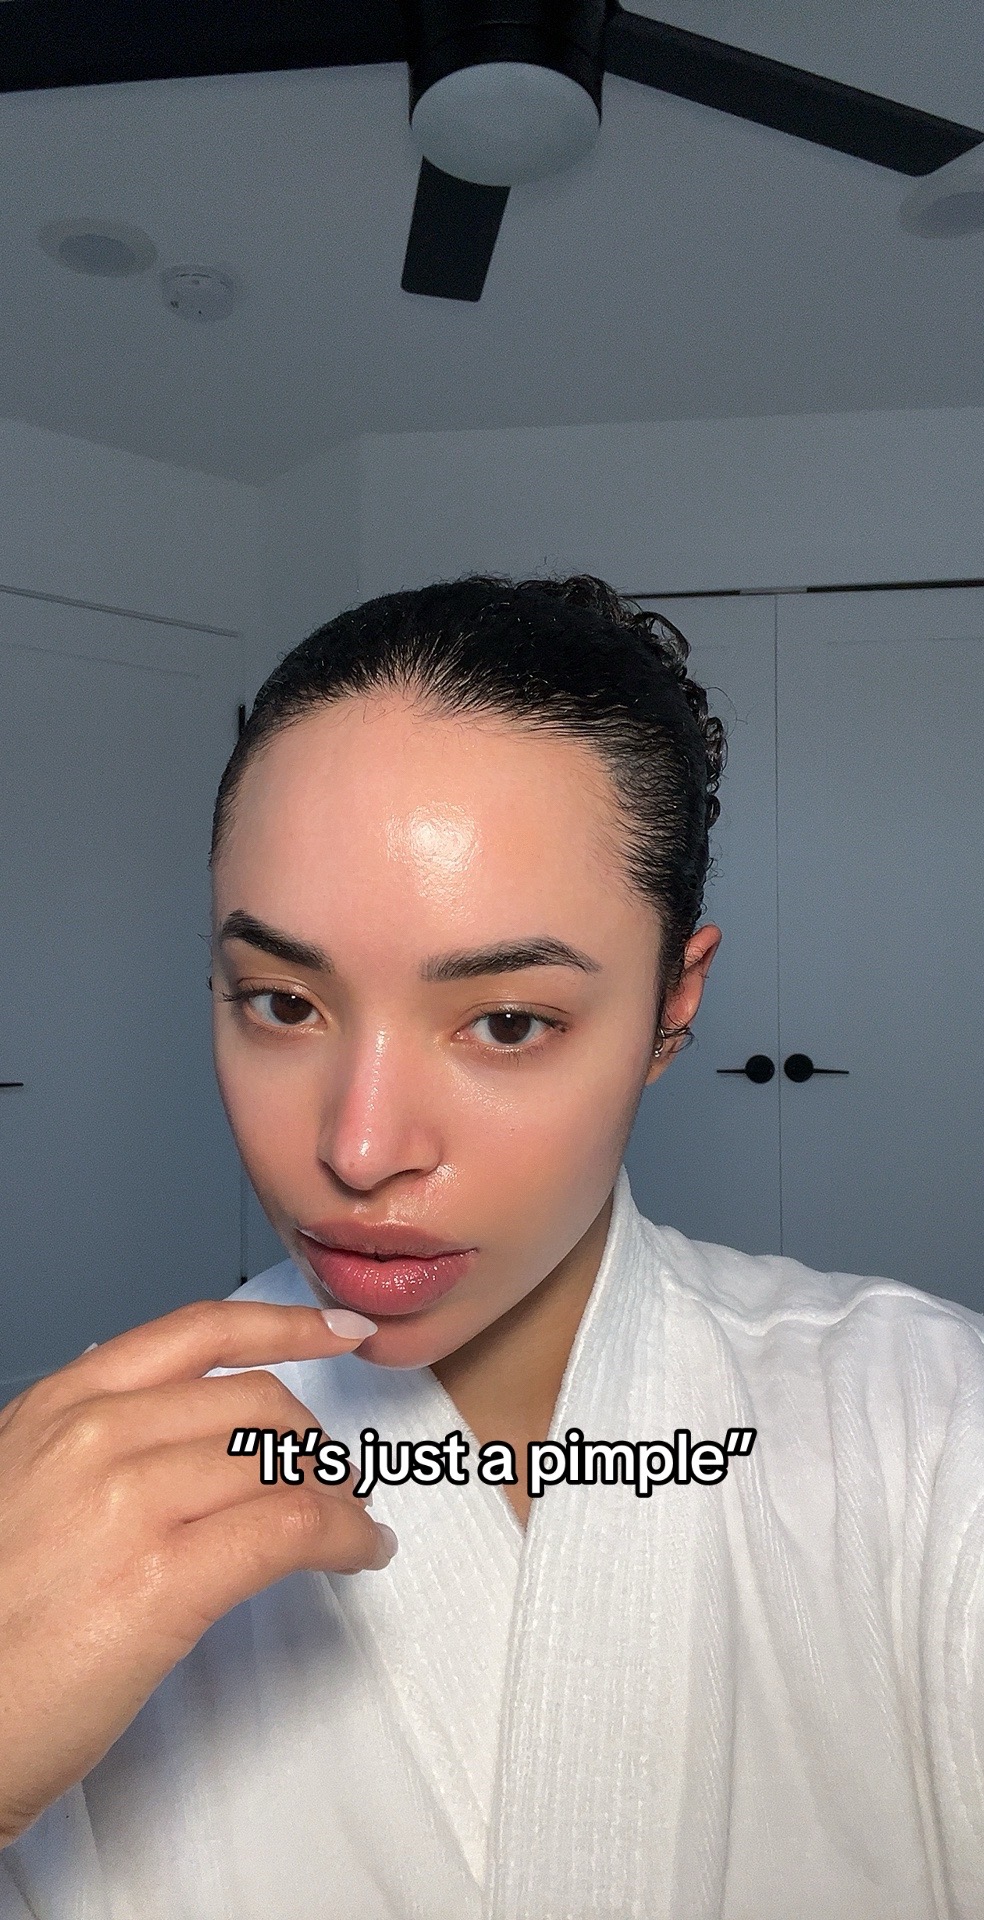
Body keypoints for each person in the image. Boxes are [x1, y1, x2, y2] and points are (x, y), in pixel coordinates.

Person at [1, 572, 982, 1919]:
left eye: (508, 1023)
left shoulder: (932, 1438)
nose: (360, 1147)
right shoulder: (51, 1518)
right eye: (281, 1002)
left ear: (671, 1005)